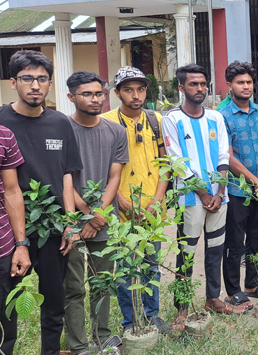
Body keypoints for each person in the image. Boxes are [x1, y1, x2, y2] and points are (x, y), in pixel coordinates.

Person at [0, 50, 82, 355]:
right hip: (6, 232)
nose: (35, 85)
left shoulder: (60, 123)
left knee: (54, 300)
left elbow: (68, 175)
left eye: (42, 79)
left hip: (52, 228)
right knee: (5, 305)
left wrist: (70, 223)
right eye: (27, 78)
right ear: (13, 82)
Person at [163, 64, 234, 329]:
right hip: (191, 199)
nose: (200, 89)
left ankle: (213, 298)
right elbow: (177, 162)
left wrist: (220, 192)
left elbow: (224, 156)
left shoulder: (215, 117)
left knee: (216, 249)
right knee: (187, 253)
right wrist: (204, 194)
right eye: (193, 84)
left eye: (203, 84)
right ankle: (182, 307)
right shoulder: (172, 119)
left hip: (219, 199)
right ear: (181, 88)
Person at [100, 66, 170, 333]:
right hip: (121, 210)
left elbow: (166, 163)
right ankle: (130, 321)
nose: (135, 95)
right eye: (128, 90)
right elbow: (104, 167)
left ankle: (152, 315)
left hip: (152, 207)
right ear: (117, 93)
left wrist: (158, 199)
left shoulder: (156, 120)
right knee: (127, 268)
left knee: (152, 265)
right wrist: (121, 202)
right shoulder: (106, 121)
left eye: (140, 89)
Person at [64, 71, 128, 354]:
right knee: (75, 287)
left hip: (104, 219)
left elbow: (115, 176)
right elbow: (60, 176)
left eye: (99, 93)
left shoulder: (115, 130)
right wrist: (87, 214)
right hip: (71, 220)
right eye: (87, 94)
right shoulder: (61, 129)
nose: (95, 99)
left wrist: (99, 213)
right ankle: (78, 346)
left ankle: (102, 336)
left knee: (102, 284)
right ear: (71, 97)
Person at [220, 61, 258, 311]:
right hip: (237, 191)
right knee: (235, 243)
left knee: (257, 239)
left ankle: (252, 284)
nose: (245, 86)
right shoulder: (221, 116)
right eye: (240, 82)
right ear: (229, 85)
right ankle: (233, 290)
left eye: (248, 82)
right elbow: (228, 157)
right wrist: (255, 181)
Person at [0, 120, 28, 355]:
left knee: (2, 326)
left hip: (0, 247)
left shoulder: (2, 135)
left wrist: (21, 245)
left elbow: (12, 191)